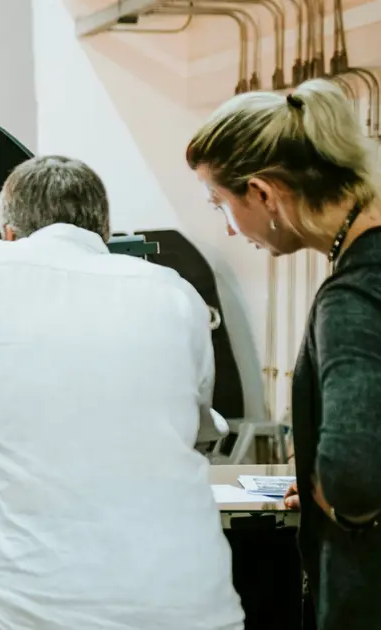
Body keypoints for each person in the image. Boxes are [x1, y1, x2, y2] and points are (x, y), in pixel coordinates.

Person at [0, 155, 245, 630]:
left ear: (8, 235)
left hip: (35, 607)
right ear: (104, 234)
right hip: (194, 605)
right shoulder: (175, 291)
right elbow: (197, 427)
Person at [187, 77, 381, 628]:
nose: (228, 229)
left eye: (220, 203)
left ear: (263, 194)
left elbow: (355, 477)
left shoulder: (352, 296)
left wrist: (335, 493)